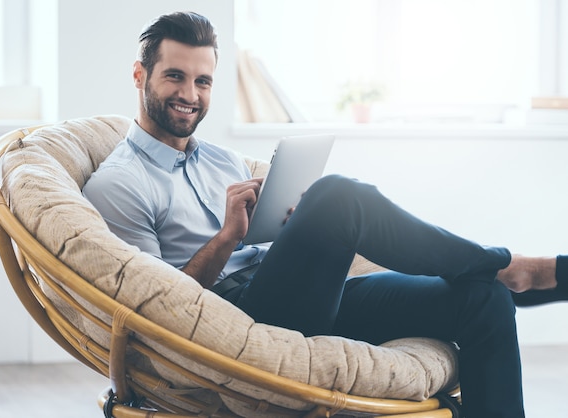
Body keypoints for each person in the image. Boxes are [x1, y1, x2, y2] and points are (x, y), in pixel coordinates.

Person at [82, 11, 567, 418]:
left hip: (291, 296)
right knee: (339, 196)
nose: (190, 93)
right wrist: (228, 237)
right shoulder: (120, 184)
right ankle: (510, 264)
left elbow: (269, 251)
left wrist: (296, 232)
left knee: (483, 299)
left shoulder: (220, 160)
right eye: (175, 76)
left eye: (202, 80)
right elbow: (157, 313)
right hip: (237, 323)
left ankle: (497, 275)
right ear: (140, 75)